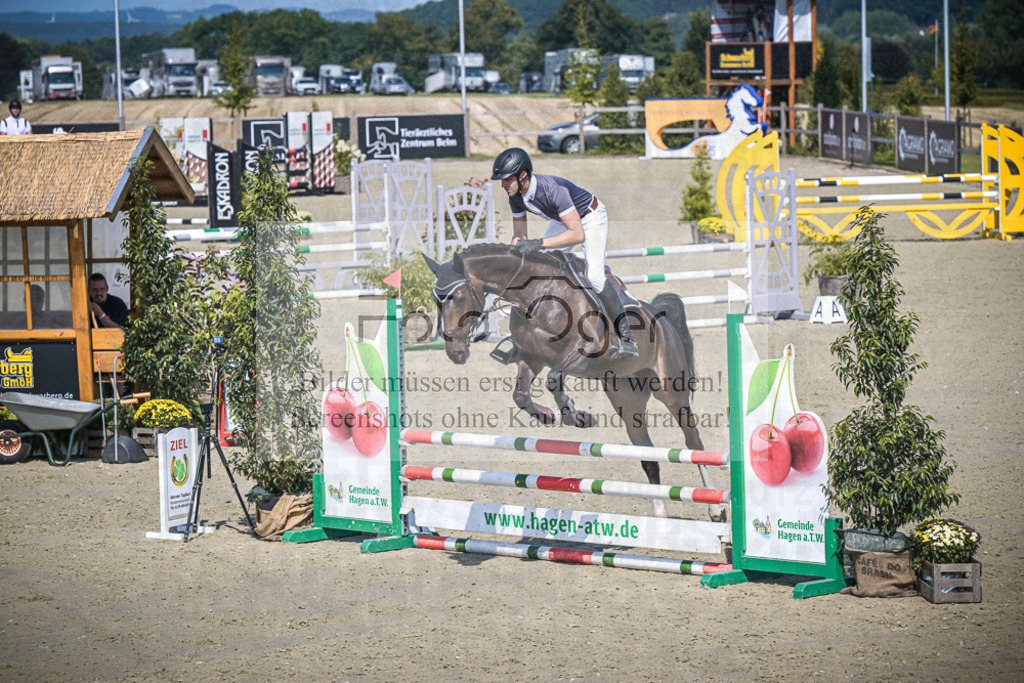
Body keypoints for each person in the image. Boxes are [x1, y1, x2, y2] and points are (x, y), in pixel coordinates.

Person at [490, 147, 638, 359]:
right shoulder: (516, 195)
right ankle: (520, 341)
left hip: (589, 217)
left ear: (522, 175)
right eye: (501, 181)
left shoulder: (552, 190)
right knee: (532, 271)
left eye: (506, 180)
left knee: (595, 277)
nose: (503, 185)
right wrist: (514, 260)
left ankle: (628, 339)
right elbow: (519, 235)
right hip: (564, 221)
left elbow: (577, 235)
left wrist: (540, 243)